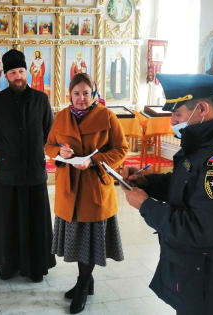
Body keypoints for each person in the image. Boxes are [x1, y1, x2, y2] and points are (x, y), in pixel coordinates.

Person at [121, 73, 213, 315]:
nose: (171, 122)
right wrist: (146, 182)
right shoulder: (204, 146)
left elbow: (201, 230)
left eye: (177, 115)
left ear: (202, 109)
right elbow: (185, 185)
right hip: (191, 270)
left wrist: (147, 206)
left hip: (208, 278)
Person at [45, 73, 128, 314]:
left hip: (94, 187)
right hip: (69, 189)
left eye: (86, 93)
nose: (81, 99)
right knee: (77, 239)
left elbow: (121, 149)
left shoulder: (107, 116)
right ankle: (87, 281)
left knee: (89, 242)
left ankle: (82, 284)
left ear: (94, 94)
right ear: (69, 95)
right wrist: (62, 152)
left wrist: (94, 162)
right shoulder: (61, 117)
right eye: (77, 94)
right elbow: (49, 146)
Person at [0, 49, 56, 283]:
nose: (18, 76)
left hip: (34, 170)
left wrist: (33, 149)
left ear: (26, 72)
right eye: (13, 72)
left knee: (35, 220)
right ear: (6, 76)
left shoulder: (41, 100)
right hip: (8, 171)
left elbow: (48, 132)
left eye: (21, 71)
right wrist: (6, 149)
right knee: (8, 220)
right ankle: (8, 264)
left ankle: (35, 266)